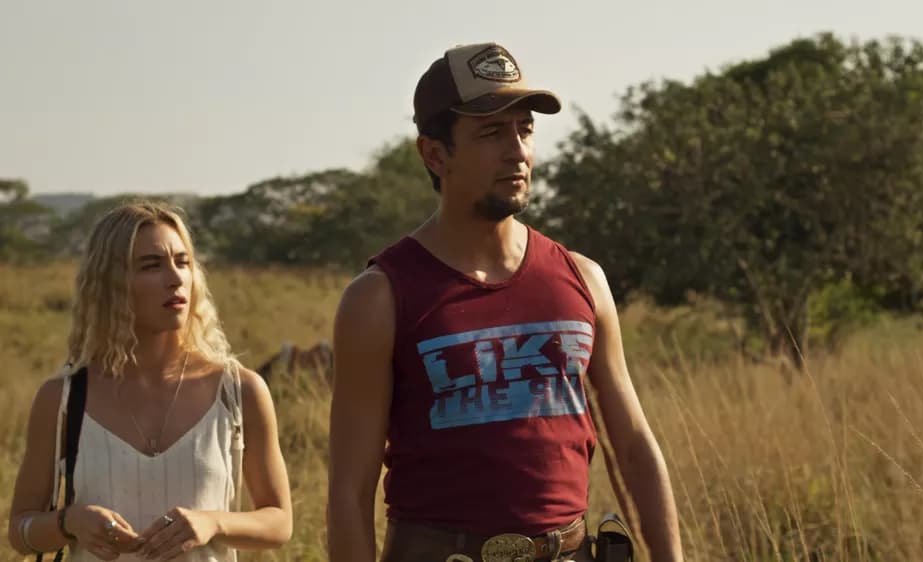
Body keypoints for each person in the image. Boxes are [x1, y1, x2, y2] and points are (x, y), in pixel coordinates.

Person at [327, 43, 684, 561]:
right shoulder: (380, 297)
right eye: (491, 132)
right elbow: (349, 490)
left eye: (525, 129)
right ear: (434, 154)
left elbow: (631, 444)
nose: (516, 150)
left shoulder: (583, 278)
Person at [7, 201, 293, 561]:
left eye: (182, 261)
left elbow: (279, 522)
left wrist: (213, 523)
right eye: (151, 265)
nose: (175, 278)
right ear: (111, 283)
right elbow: (20, 531)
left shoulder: (239, 391)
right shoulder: (63, 398)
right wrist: (70, 521)